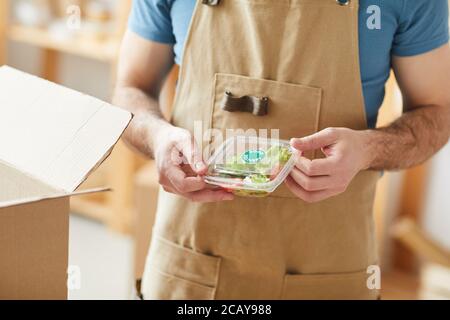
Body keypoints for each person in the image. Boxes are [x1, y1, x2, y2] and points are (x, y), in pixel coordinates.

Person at [113, 0, 450, 299]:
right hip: (188, 270)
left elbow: (438, 112)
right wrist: (157, 137)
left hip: (328, 275)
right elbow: (130, 90)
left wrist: (369, 149)